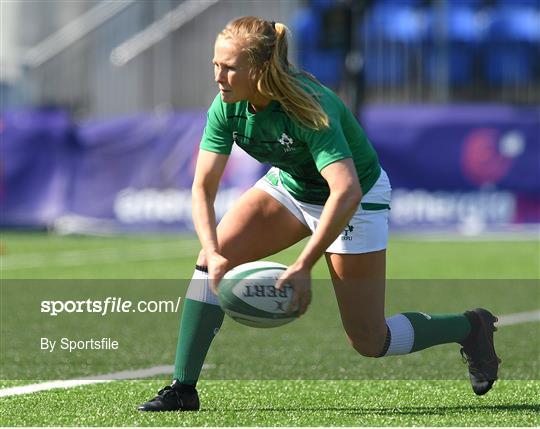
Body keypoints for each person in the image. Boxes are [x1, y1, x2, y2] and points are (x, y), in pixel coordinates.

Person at [138, 16, 500, 412]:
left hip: (354, 200)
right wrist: (214, 250)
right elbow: (202, 188)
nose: (218, 76)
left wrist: (303, 264)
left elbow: (346, 191)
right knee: (211, 261)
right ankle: (182, 388)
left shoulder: (310, 106)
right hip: (291, 187)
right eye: (215, 65)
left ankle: (471, 326)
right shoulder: (227, 106)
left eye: (229, 67)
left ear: (258, 70)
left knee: (369, 340)